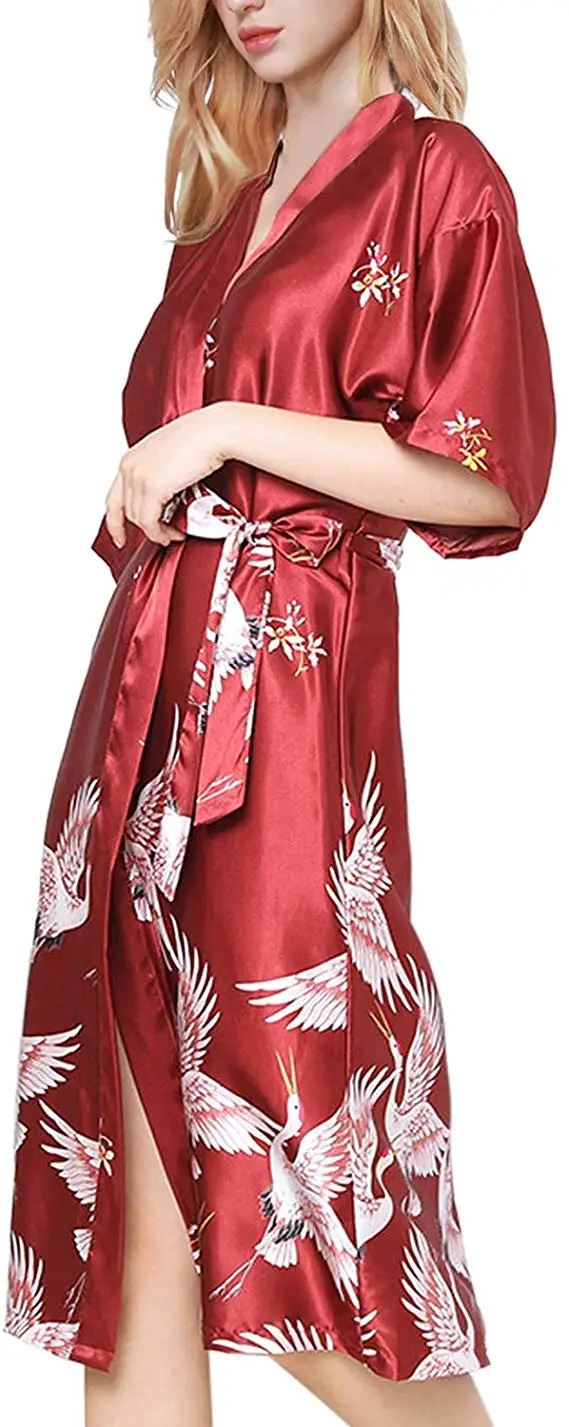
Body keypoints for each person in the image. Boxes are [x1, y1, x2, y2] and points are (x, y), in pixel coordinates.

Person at [3, 2, 556, 1426]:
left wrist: (228, 429)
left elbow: (488, 473)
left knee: (302, 1179)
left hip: (294, 724)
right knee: (133, 1234)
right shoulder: (222, 214)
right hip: (136, 714)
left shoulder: (439, 177)